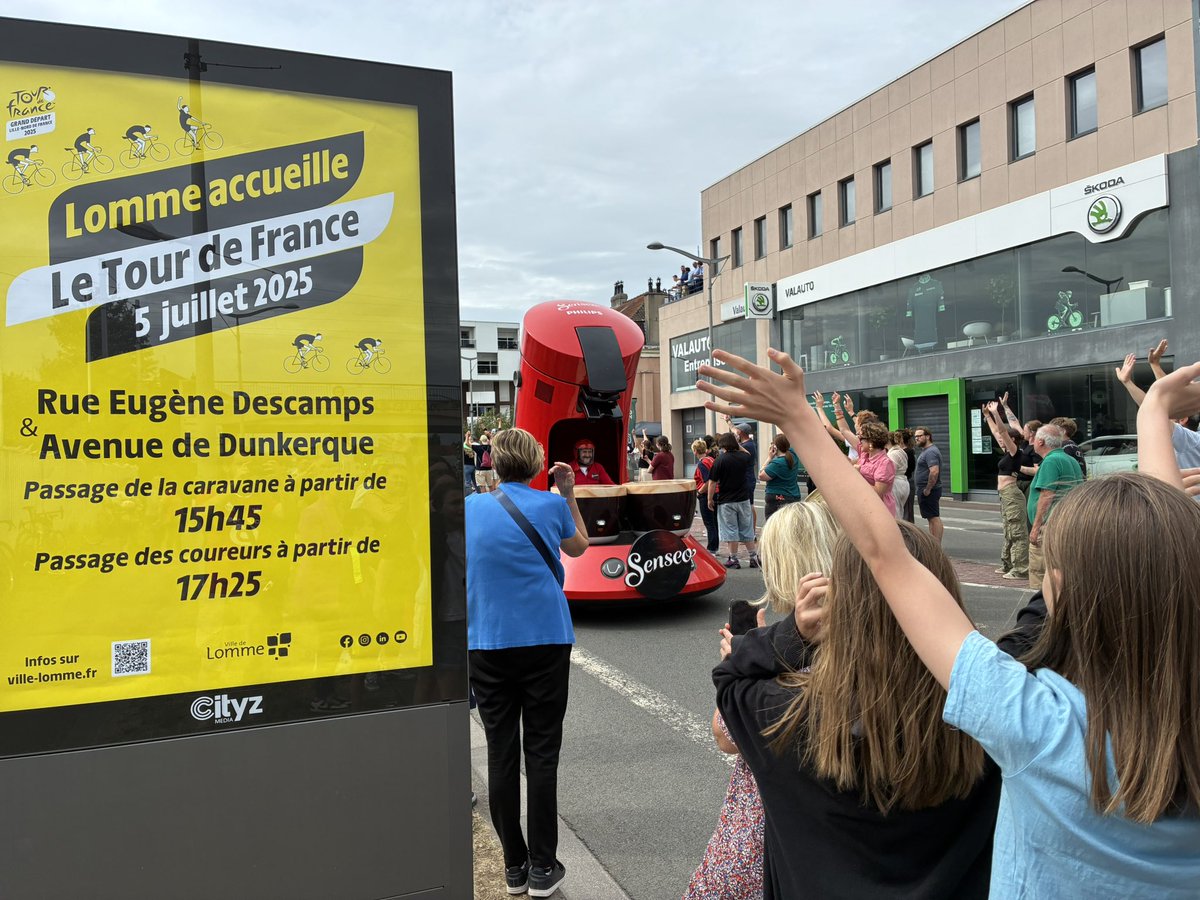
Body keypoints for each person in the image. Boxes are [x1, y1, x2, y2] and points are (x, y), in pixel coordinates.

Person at [699, 346, 1200, 899]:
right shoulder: (1029, 705)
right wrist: (1155, 418)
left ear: (1069, 593)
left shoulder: (1037, 723)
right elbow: (1170, 571)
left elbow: (881, 558)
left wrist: (792, 632)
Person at [713, 520, 1001, 899]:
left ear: (839, 603)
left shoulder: (783, 715)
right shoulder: (993, 718)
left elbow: (730, 677)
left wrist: (793, 636)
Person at [684, 502, 839, 899]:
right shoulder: (857, 635)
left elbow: (727, 735)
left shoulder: (781, 652)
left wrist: (742, 664)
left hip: (766, 822)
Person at [465, 428, 589, 898]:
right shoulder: (551, 505)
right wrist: (568, 493)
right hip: (546, 639)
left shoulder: (469, 508)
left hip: (487, 639)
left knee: (500, 751)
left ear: (494, 464)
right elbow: (579, 547)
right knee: (541, 753)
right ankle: (542, 867)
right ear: (537, 464)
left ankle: (513, 866)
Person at [1115, 348, 1200, 491]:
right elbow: (1155, 405)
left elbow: (1155, 406)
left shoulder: (1192, 442)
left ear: (1183, 419)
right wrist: (1155, 366)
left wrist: (1128, 382)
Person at [1026, 423, 1082, 590]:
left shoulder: (1051, 461)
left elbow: (1046, 495)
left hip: (1049, 525)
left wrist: (1036, 527)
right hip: (1066, 521)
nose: (1032, 441)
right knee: (1061, 571)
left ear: (1041, 442)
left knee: (1041, 573)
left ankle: (1045, 604)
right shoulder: (1070, 459)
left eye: (1034, 438)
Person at [982, 402, 1028, 580]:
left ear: (1013, 440)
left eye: (1005, 438)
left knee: (1016, 532)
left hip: (1011, 494)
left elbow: (1001, 431)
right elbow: (997, 432)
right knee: (1008, 530)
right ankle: (1007, 564)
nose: (1001, 440)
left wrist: (996, 413)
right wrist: (987, 416)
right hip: (1005, 495)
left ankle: (1020, 568)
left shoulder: (1016, 453)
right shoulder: (1008, 453)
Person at [708, 433, 758, 569]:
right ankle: (753, 557)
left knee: (731, 530)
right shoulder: (743, 457)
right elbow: (747, 453)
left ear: (722, 445)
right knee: (747, 528)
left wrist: (709, 499)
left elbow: (712, 482)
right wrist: (738, 444)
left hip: (726, 500)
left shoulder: (719, 460)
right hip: (743, 498)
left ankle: (734, 558)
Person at [855, 420, 896, 516]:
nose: (859, 442)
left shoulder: (885, 463)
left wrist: (857, 477)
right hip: (865, 505)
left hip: (879, 509)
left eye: (861, 438)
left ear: (871, 441)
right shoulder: (864, 455)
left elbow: (878, 492)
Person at [912, 426, 943, 543]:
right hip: (926, 489)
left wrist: (928, 489)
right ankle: (934, 544)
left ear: (928, 436)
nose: (917, 438)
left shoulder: (931, 452)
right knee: (931, 518)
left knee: (933, 517)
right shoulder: (927, 451)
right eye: (915, 437)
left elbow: (934, 471)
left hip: (929, 490)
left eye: (919, 436)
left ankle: (936, 545)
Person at [759, 434, 801, 519]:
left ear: (775, 447)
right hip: (793, 496)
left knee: (774, 525)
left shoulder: (777, 463)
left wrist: (769, 457)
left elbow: (761, 476)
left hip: (777, 498)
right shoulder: (793, 456)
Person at [692, 438, 719, 554]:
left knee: (709, 523)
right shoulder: (711, 460)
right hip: (717, 492)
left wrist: (699, 492)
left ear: (695, 451)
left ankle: (712, 548)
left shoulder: (702, 463)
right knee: (714, 521)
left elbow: (708, 481)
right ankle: (715, 546)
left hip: (707, 494)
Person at [886, 430, 910, 520]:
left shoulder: (893, 454)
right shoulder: (900, 451)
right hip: (903, 482)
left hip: (896, 484)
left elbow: (890, 471)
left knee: (895, 511)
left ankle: (896, 527)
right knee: (899, 509)